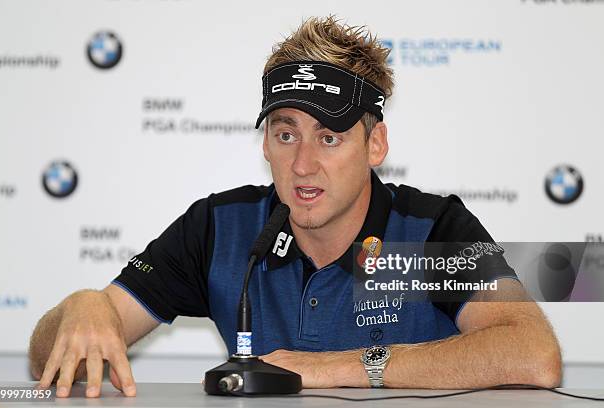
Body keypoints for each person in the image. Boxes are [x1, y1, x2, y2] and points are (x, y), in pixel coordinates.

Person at [29, 16, 561, 398]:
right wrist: (84, 307)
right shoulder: (220, 227)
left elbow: (532, 354)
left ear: (375, 146)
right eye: (286, 134)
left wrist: (333, 368)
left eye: (329, 138)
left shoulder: (431, 227)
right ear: (265, 146)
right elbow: (47, 360)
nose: (303, 164)